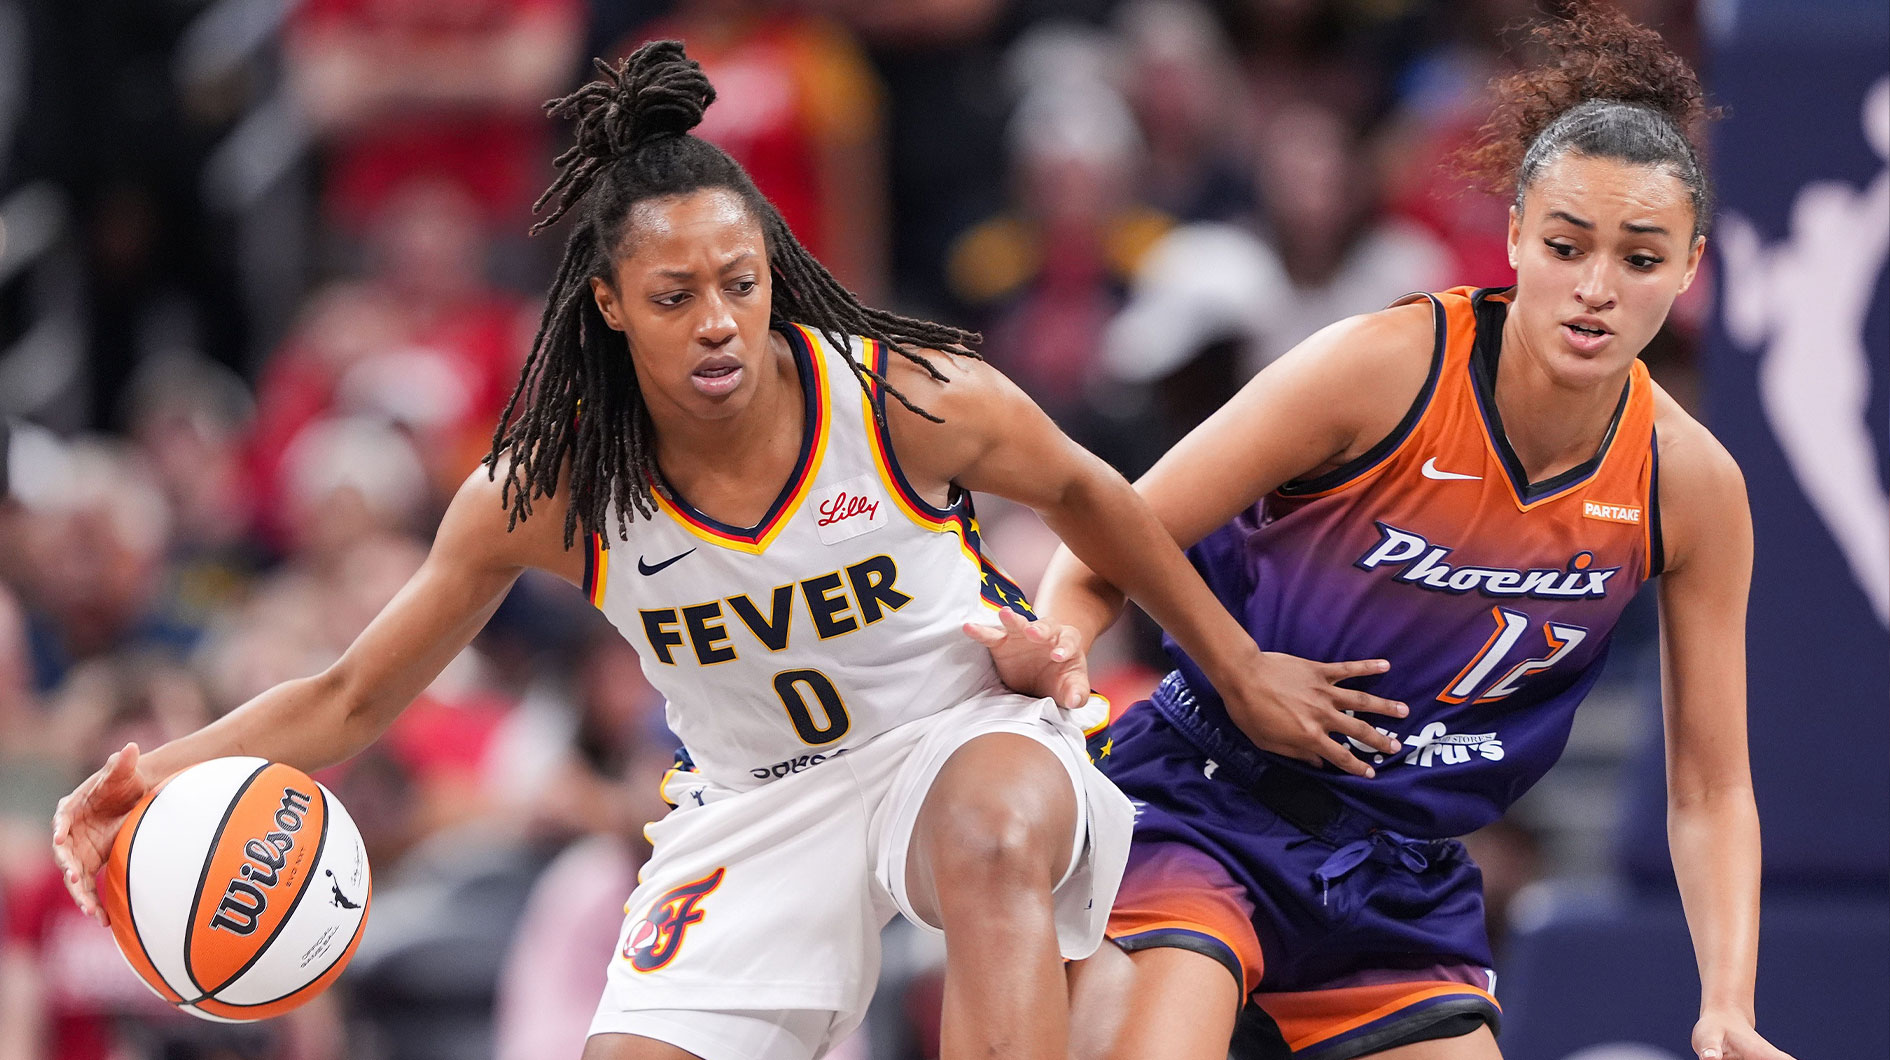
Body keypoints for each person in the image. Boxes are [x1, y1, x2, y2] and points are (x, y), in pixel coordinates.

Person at [50, 42, 1307, 1060]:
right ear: (607, 303)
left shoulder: (906, 396)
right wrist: (150, 775)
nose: (718, 322)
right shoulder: (545, 488)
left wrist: (1237, 665)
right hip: (755, 800)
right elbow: (349, 695)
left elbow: (1098, 494)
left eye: (742, 282)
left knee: (992, 838)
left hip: (956, 738)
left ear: (775, 273)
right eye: (673, 296)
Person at [1030, 7, 1797, 1060]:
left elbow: (1710, 785)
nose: (1595, 287)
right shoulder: (1379, 368)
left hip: (1402, 869)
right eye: (1567, 245)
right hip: (1207, 803)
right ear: (1517, 230)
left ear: (1692, 265)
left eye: (1641, 257)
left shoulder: (1694, 485)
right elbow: (1096, 544)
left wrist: (1727, 1005)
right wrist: (1219, 677)